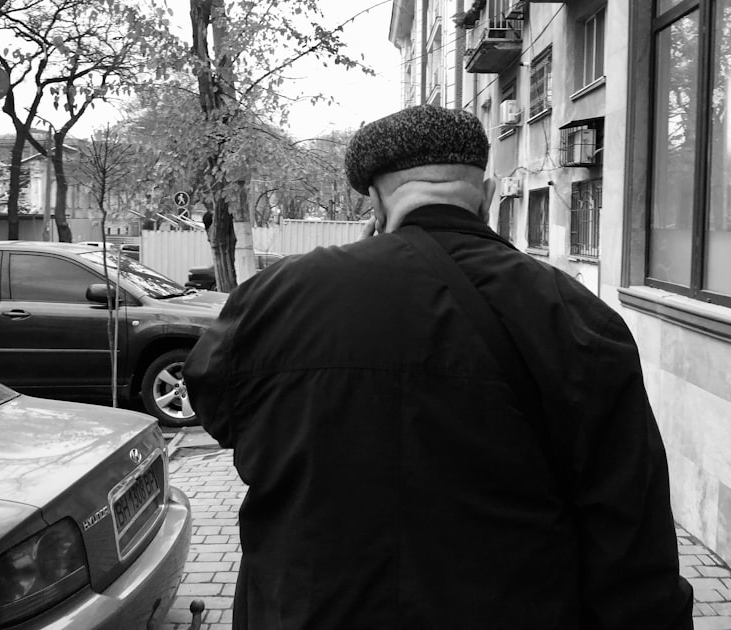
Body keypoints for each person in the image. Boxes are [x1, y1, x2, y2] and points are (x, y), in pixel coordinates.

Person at [183, 104, 694, 629]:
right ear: (489, 194)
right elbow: (632, 540)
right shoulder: (577, 317)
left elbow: (219, 411)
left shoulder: (276, 298)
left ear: (375, 203)